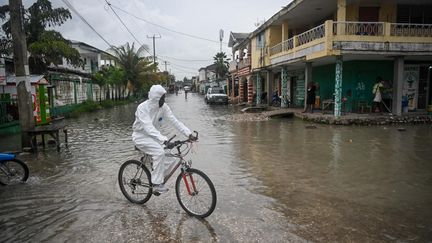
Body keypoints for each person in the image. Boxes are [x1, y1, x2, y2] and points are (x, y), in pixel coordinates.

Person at [132, 84, 196, 194]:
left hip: (155, 136)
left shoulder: (163, 107)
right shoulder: (142, 108)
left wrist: (188, 134)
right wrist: (164, 140)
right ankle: (156, 184)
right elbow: (148, 127)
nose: (164, 100)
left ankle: (157, 177)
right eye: (162, 98)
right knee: (159, 153)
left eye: (164, 97)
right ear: (155, 98)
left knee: (172, 157)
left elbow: (175, 121)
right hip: (140, 136)